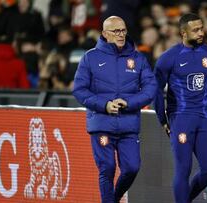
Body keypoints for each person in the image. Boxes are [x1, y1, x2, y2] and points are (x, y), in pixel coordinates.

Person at [72, 16, 157, 203]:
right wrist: (104, 105)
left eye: (123, 30)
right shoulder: (90, 58)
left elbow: (151, 88)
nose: (121, 35)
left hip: (128, 126)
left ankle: (114, 198)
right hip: (102, 124)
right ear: (104, 34)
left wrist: (129, 102)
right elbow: (79, 90)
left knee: (132, 168)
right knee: (107, 168)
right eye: (116, 31)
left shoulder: (137, 58)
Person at [154, 13, 207, 203]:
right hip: (180, 118)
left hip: (204, 117)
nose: (200, 33)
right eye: (195, 30)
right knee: (184, 168)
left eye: (202, 28)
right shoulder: (168, 58)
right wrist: (162, 119)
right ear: (183, 33)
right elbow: (156, 90)